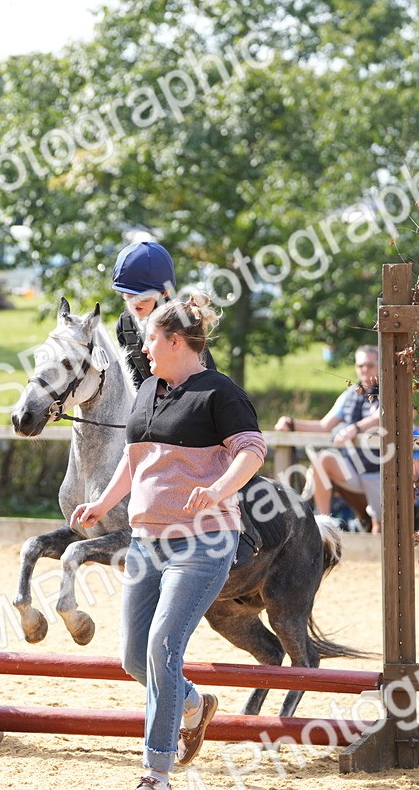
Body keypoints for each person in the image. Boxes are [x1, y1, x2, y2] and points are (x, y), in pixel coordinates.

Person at [69, 294, 263, 790]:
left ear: (176, 341)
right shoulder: (148, 389)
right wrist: (101, 502)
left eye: (151, 339)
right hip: (146, 543)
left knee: (163, 646)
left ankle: (156, 771)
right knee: (135, 657)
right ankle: (194, 705)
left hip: (203, 543)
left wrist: (219, 489)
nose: (144, 348)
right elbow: (133, 459)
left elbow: (252, 450)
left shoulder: (220, 392)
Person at [274, 345, 382, 532]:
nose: (364, 370)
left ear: (380, 365)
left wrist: (355, 428)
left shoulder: (390, 392)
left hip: (381, 470)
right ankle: (324, 527)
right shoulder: (349, 395)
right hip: (354, 468)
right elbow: (324, 426)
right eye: (360, 366)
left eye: (370, 365)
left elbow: (384, 415)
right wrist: (291, 423)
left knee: (379, 529)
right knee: (321, 460)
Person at [112, 241, 213, 389]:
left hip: (192, 393)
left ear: (164, 292)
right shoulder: (123, 324)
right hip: (149, 397)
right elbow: (133, 378)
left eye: (144, 297)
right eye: (129, 295)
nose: (135, 302)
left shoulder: (181, 319)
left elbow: (206, 370)